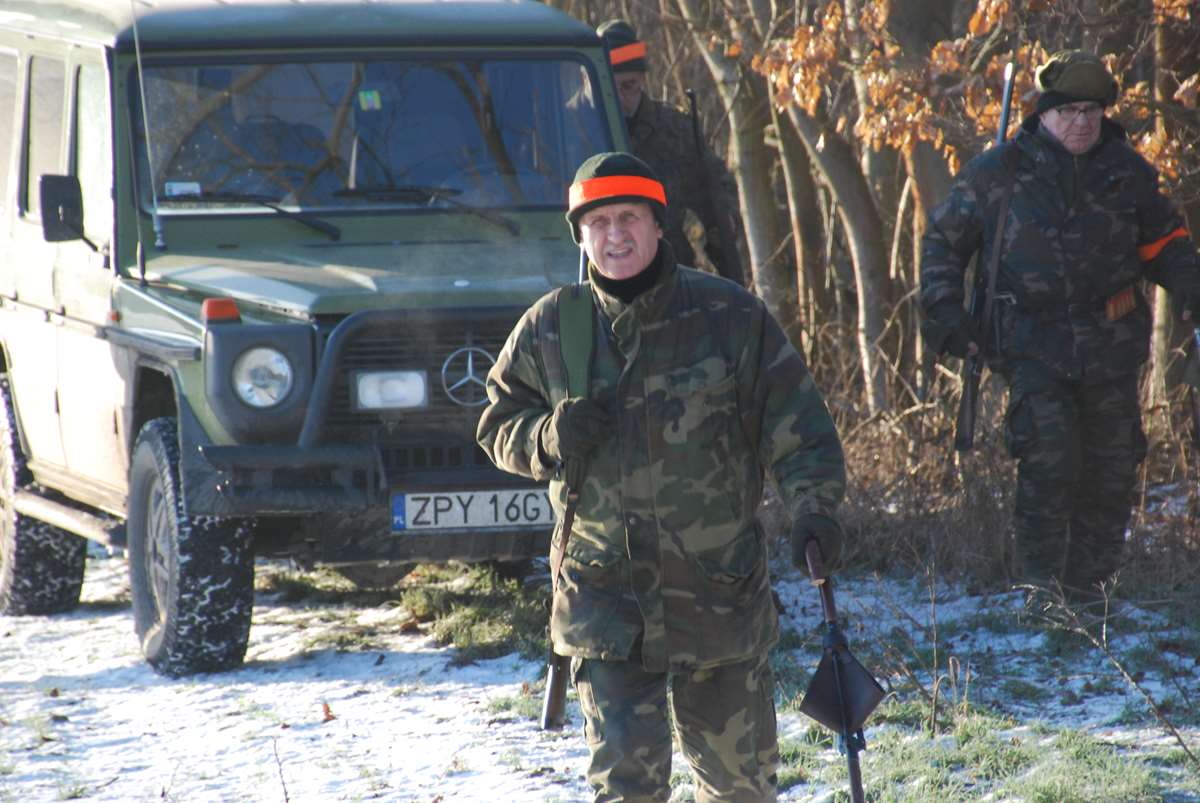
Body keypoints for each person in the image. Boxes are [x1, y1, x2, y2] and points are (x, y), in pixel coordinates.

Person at [477, 151, 846, 801]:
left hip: (718, 594)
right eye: (598, 222)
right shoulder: (552, 326)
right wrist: (548, 435)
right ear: (580, 235)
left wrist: (813, 510)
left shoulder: (729, 317)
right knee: (626, 788)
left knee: (740, 787)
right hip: (605, 602)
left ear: (657, 224)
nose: (615, 235)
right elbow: (497, 426)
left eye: (629, 217)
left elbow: (799, 427)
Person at [920, 50, 1200, 599]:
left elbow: (1166, 244)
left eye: (1091, 111)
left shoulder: (1128, 174)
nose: (1081, 122)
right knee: (1049, 464)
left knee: (1111, 471)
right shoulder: (998, 173)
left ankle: (1092, 596)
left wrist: (1188, 283)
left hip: (1112, 347)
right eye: (1068, 111)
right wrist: (946, 311)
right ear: (1043, 114)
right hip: (1031, 347)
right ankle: (1044, 596)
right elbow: (943, 243)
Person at [597, 19, 743, 284]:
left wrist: (724, 225)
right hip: (596, 266)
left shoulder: (675, 128)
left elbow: (716, 191)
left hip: (667, 273)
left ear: (642, 80)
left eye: (628, 86)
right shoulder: (572, 127)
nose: (619, 98)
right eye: (609, 88)